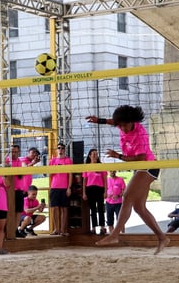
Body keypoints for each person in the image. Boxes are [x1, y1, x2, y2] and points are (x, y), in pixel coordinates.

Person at [86, 105, 170, 254]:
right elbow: (114, 122)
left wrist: (117, 156)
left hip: (148, 166)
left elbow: (140, 158)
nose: (122, 128)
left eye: (125, 125)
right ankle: (162, 237)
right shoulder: (122, 124)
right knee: (139, 207)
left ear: (132, 121)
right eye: (120, 125)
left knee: (126, 197)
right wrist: (99, 120)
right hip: (140, 168)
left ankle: (115, 235)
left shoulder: (140, 134)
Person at [49, 142, 73, 236]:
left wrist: (69, 188)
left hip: (64, 187)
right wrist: (55, 168)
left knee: (64, 209)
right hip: (54, 187)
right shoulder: (52, 161)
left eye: (62, 148)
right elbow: (49, 174)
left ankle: (63, 229)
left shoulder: (68, 160)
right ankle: (56, 229)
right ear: (56, 150)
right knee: (54, 208)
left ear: (64, 150)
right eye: (59, 148)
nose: (61, 150)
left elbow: (70, 175)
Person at [82, 149, 107, 235]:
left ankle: (102, 227)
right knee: (92, 210)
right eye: (93, 154)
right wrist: (84, 193)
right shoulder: (87, 167)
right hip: (90, 189)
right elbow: (84, 181)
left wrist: (105, 191)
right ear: (89, 156)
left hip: (99, 189)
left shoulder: (101, 166)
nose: (95, 155)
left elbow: (105, 180)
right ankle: (93, 227)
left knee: (100, 209)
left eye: (96, 154)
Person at [5, 144, 27, 238]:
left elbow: (20, 175)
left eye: (15, 152)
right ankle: (8, 229)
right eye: (12, 151)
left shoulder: (20, 162)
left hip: (19, 190)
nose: (13, 153)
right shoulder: (7, 161)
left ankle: (15, 229)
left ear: (18, 152)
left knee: (18, 211)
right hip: (9, 190)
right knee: (9, 210)